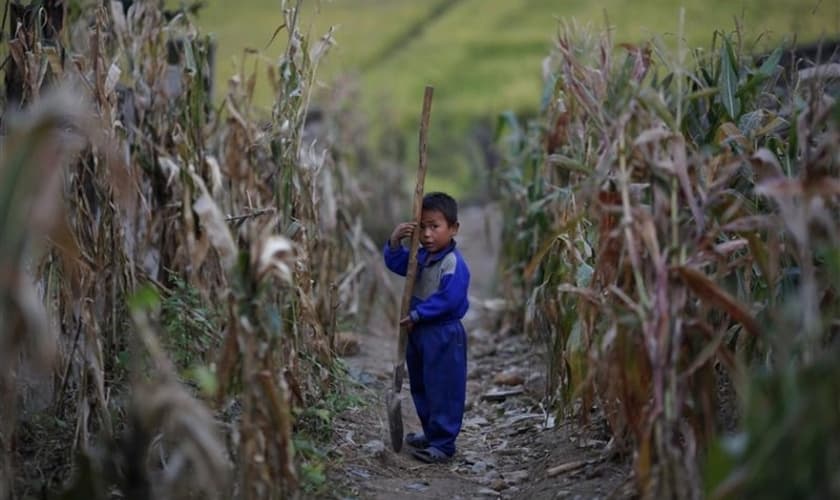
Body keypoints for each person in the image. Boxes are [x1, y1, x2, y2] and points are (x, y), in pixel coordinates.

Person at [383, 192, 470, 464]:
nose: (428, 234)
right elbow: (399, 265)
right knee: (421, 384)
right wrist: (395, 241)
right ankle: (432, 433)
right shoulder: (419, 258)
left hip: (442, 333)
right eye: (422, 227)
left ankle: (444, 444)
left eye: (435, 226)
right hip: (418, 333)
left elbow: (450, 299)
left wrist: (420, 314)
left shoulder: (453, 263)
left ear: (453, 228)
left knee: (443, 387)